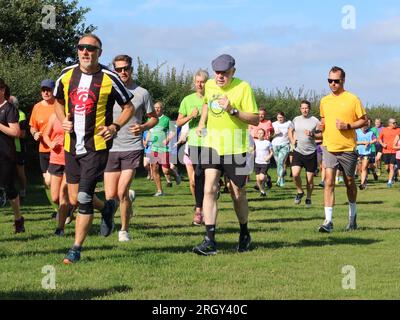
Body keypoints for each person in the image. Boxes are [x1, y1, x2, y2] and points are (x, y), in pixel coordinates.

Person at [54, 33, 135, 264]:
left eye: (91, 48)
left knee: (83, 196)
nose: (85, 52)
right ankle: (107, 208)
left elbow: (128, 106)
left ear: (100, 52)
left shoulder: (109, 78)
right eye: (81, 47)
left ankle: (76, 248)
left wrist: (115, 126)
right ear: (77, 50)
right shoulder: (66, 75)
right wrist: (62, 120)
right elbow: (58, 102)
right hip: (71, 145)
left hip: (96, 146)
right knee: (74, 197)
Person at [194, 54, 259, 255]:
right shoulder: (210, 86)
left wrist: (232, 110)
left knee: (237, 194)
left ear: (233, 72)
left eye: (225, 73)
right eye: (217, 72)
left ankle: (244, 232)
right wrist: (202, 123)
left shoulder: (243, 87)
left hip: (236, 148)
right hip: (212, 145)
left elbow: (255, 119)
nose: (220, 77)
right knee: (209, 189)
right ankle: (210, 241)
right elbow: (206, 103)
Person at [103, 54, 158, 242]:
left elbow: (154, 118)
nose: (123, 72)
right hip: (110, 147)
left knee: (121, 191)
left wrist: (142, 127)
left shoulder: (142, 93)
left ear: (131, 69)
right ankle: (127, 203)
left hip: (132, 147)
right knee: (110, 196)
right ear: (113, 71)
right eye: (118, 69)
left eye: (126, 68)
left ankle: (124, 230)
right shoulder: (108, 92)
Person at [319, 66, 367, 233]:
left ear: (343, 80)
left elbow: (364, 121)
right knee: (329, 182)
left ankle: (352, 218)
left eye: (336, 81)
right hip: (329, 146)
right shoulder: (324, 101)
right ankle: (328, 221)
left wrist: (348, 125)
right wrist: (321, 125)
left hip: (348, 148)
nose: (333, 84)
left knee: (349, 183)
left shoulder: (353, 99)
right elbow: (324, 120)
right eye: (330, 81)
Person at [176, 69, 209, 226]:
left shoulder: (212, 98)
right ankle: (199, 209)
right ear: (194, 83)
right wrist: (191, 116)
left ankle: (205, 207)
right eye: (197, 81)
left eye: (202, 81)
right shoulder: (187, 100)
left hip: (213, 142)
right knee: (198, 176)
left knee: (209, 177)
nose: (200, 84)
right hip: (195, 143)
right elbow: (178, 122)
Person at [0, 79, 25, 233]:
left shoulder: (9, 109)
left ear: (2, 90)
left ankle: (18, 218)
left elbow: (16, 132)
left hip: (6, 155)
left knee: (9, 188)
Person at [29, 79, 57, 212]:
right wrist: (34, 133)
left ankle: (64, 208)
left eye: (49, 90)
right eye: (43, 90)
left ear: (54, 90)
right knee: (47, 181)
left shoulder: (59, 105)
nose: (46, 92)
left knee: (58, 180)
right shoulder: (37, 107)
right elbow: (32, 126)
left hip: (58, 148)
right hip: (43, 149)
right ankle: (57, 209)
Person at [288, 100, 321, 206]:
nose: (304, 110)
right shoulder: (296, 119)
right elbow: (290, 130)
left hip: (311, 152)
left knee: (310, 180)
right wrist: (292, 139)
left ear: (309, 109)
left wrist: (312, 134)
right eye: (302, 108)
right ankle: (299, 191)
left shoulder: (315, 120)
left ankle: (308, 197)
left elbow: (321, 134)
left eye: (306, 108)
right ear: (300, 109)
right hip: (298, 151)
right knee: (295, 174)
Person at [42, 113, 70, 235]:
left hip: (71, 159)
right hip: (56, 159)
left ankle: (60, 228)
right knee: (55, 197)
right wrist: (50, 144)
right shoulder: (54, 116)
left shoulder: (75, 114)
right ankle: (69, 209)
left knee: (63, 194)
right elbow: (45, 135)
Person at [148, 101, 181, 196]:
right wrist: (146, 140)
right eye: (155, 107)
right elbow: (149, 131)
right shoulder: (150, 119)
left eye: (158, 107)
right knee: (154, 168)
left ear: (162, 109)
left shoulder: (166, 119)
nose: (156, 109)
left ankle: (175, 174)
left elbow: (173, 131)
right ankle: (160, 191)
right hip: (153, 148)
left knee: (166, 170)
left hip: (164, 148)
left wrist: (168, 139)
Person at [10, 96, 28, 199]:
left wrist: (9, 131)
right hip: (7, 148)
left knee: (20, 173)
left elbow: (22, 134)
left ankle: (22, 193)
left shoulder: (21, 115)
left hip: (18, 148)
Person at [271, 111, 293, 187]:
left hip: (285, 145)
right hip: (275, 145)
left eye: (281, 117)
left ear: (284, 117)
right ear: (276, 118)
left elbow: (292, 132)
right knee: (278, 164)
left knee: (280, 161)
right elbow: (269, 136)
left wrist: (292, 142)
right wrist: (275, 134)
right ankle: (281, 178)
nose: (280, 119)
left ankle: (279, 180)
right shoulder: (273, 124)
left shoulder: (289, 123)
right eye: (278, 117)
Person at [378, 118, 400, 188]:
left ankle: (389, 182)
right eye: (394, 123)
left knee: (391, 166)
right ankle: (394, 174)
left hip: (394, 151)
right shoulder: (384, 129)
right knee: (387, 167)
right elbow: (379, 139)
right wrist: (382, 144)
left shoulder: (398, 130)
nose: (395, 124)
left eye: (396, 122)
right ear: (389, 123)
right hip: (386, 151)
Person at [356, 124, 377, 190]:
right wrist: (363, 143)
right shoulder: (356, 131)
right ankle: (364, 181)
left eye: (366, 127)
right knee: (360, 168)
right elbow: (354, 141)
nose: (364, 128)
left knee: (364, 167)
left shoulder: (370, 132)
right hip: (358, 152)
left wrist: (369, 142)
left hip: (367, 152)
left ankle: (362, 184)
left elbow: (375, 139)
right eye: (363, 127)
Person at [253, 128, 273, 197]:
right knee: (258, 179)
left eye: (261, 133)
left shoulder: (267, 142)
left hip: (265, 162)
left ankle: (267, 179)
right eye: (258, 133)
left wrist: (268, 157)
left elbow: (272, 152)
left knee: (261, 178)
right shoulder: (255, 142)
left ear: (264, 134)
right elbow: (252, 150)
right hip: (257, 162)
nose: (260, 134)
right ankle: (262, 192)